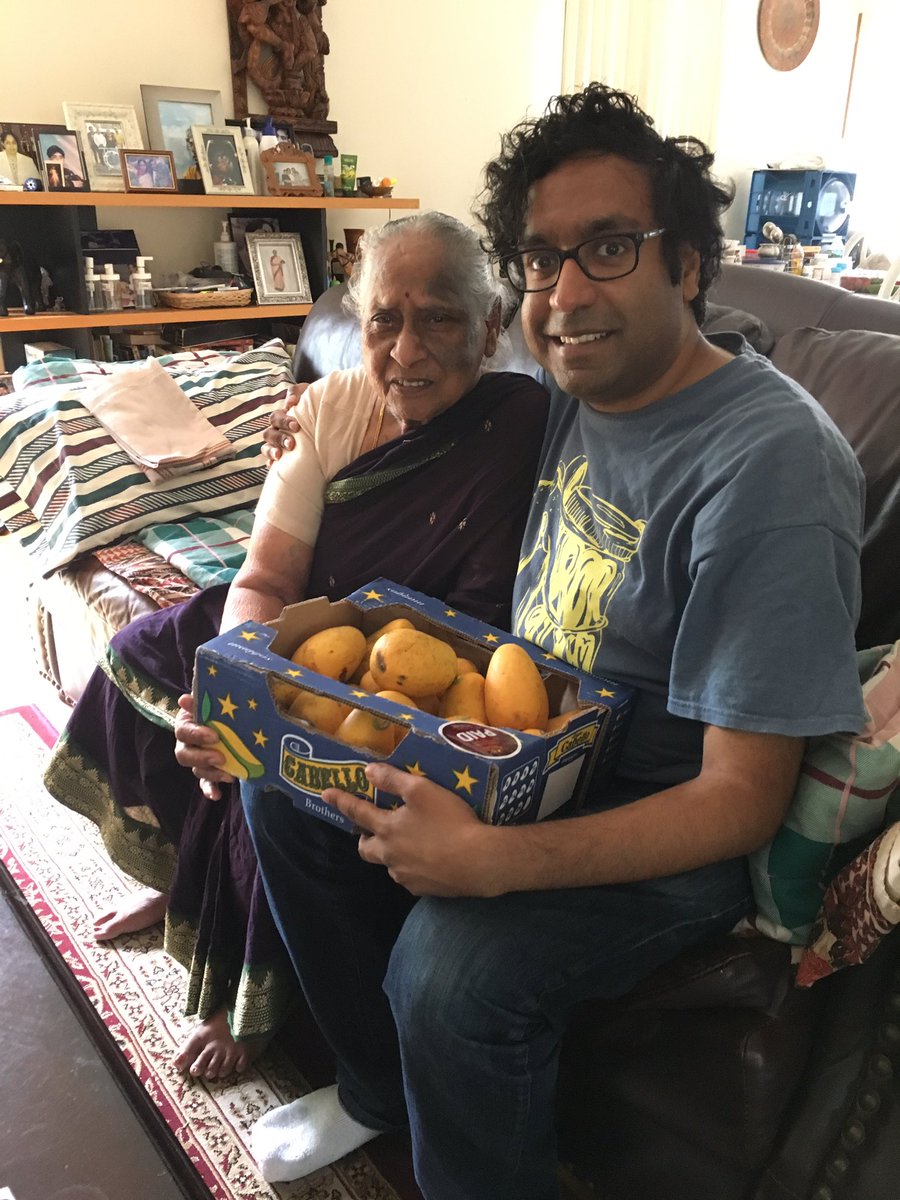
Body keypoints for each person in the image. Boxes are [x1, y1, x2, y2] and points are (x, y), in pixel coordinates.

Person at [179, 84, 868, 1194]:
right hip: (515, 752)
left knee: (450, 975)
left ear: (688, 263)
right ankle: (374, 1090)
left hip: (660, 821)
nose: (566, 293)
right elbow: (412, 375)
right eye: (542, 261)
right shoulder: (562, 393)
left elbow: (738, 799)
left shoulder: (770, 468)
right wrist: (306, 419)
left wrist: (494, 864)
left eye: (608, 248)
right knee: (280, 786)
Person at [43, 211, 549, 1083]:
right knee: (149, 657)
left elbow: (470, 633)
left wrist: (261, 706)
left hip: (406, 673)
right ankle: (182, 873)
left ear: (492, 327)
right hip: (290, 625)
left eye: (440, 318)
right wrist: (242, 670)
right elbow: (270, 575)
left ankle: (252, 1001)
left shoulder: (528, 423)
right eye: (385, 319)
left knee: (271, 763)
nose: (406, 349)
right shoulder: (331, 406)